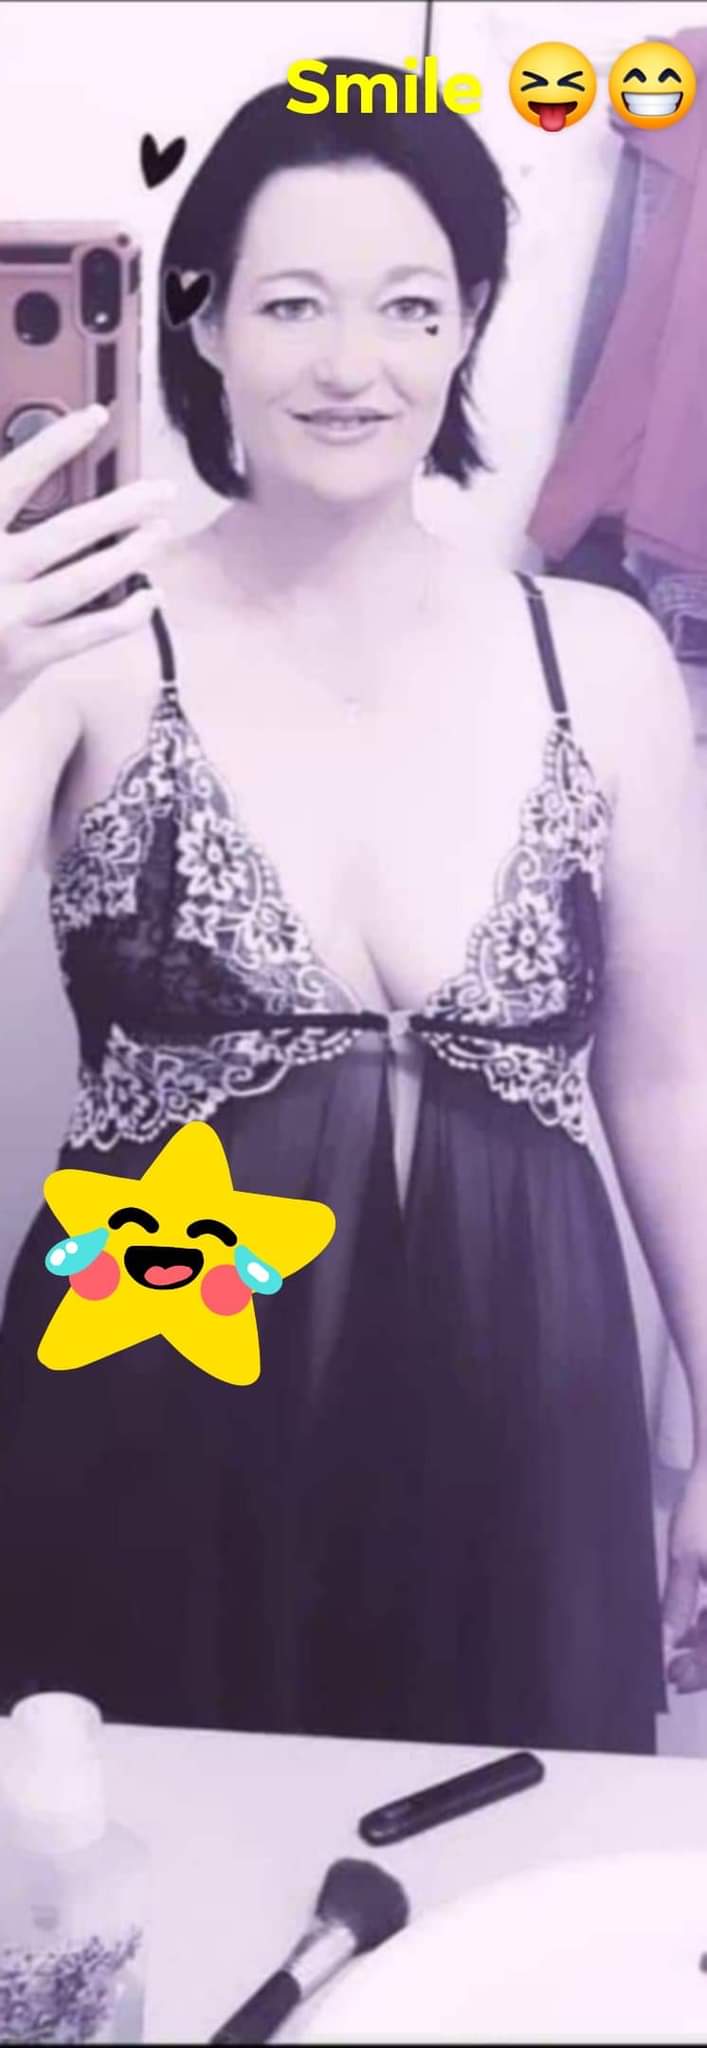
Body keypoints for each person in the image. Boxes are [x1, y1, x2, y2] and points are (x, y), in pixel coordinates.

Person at [1, 57, 706, 1752]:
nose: (350, 364)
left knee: (519, 1870)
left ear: (469, 326)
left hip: (526, 1422)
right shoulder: (82, 645)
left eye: (408, 305)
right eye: (292, 302)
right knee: (134, 1868)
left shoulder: (598, 657)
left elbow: (670, 1079)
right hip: (146, 1404)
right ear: (201, 320)